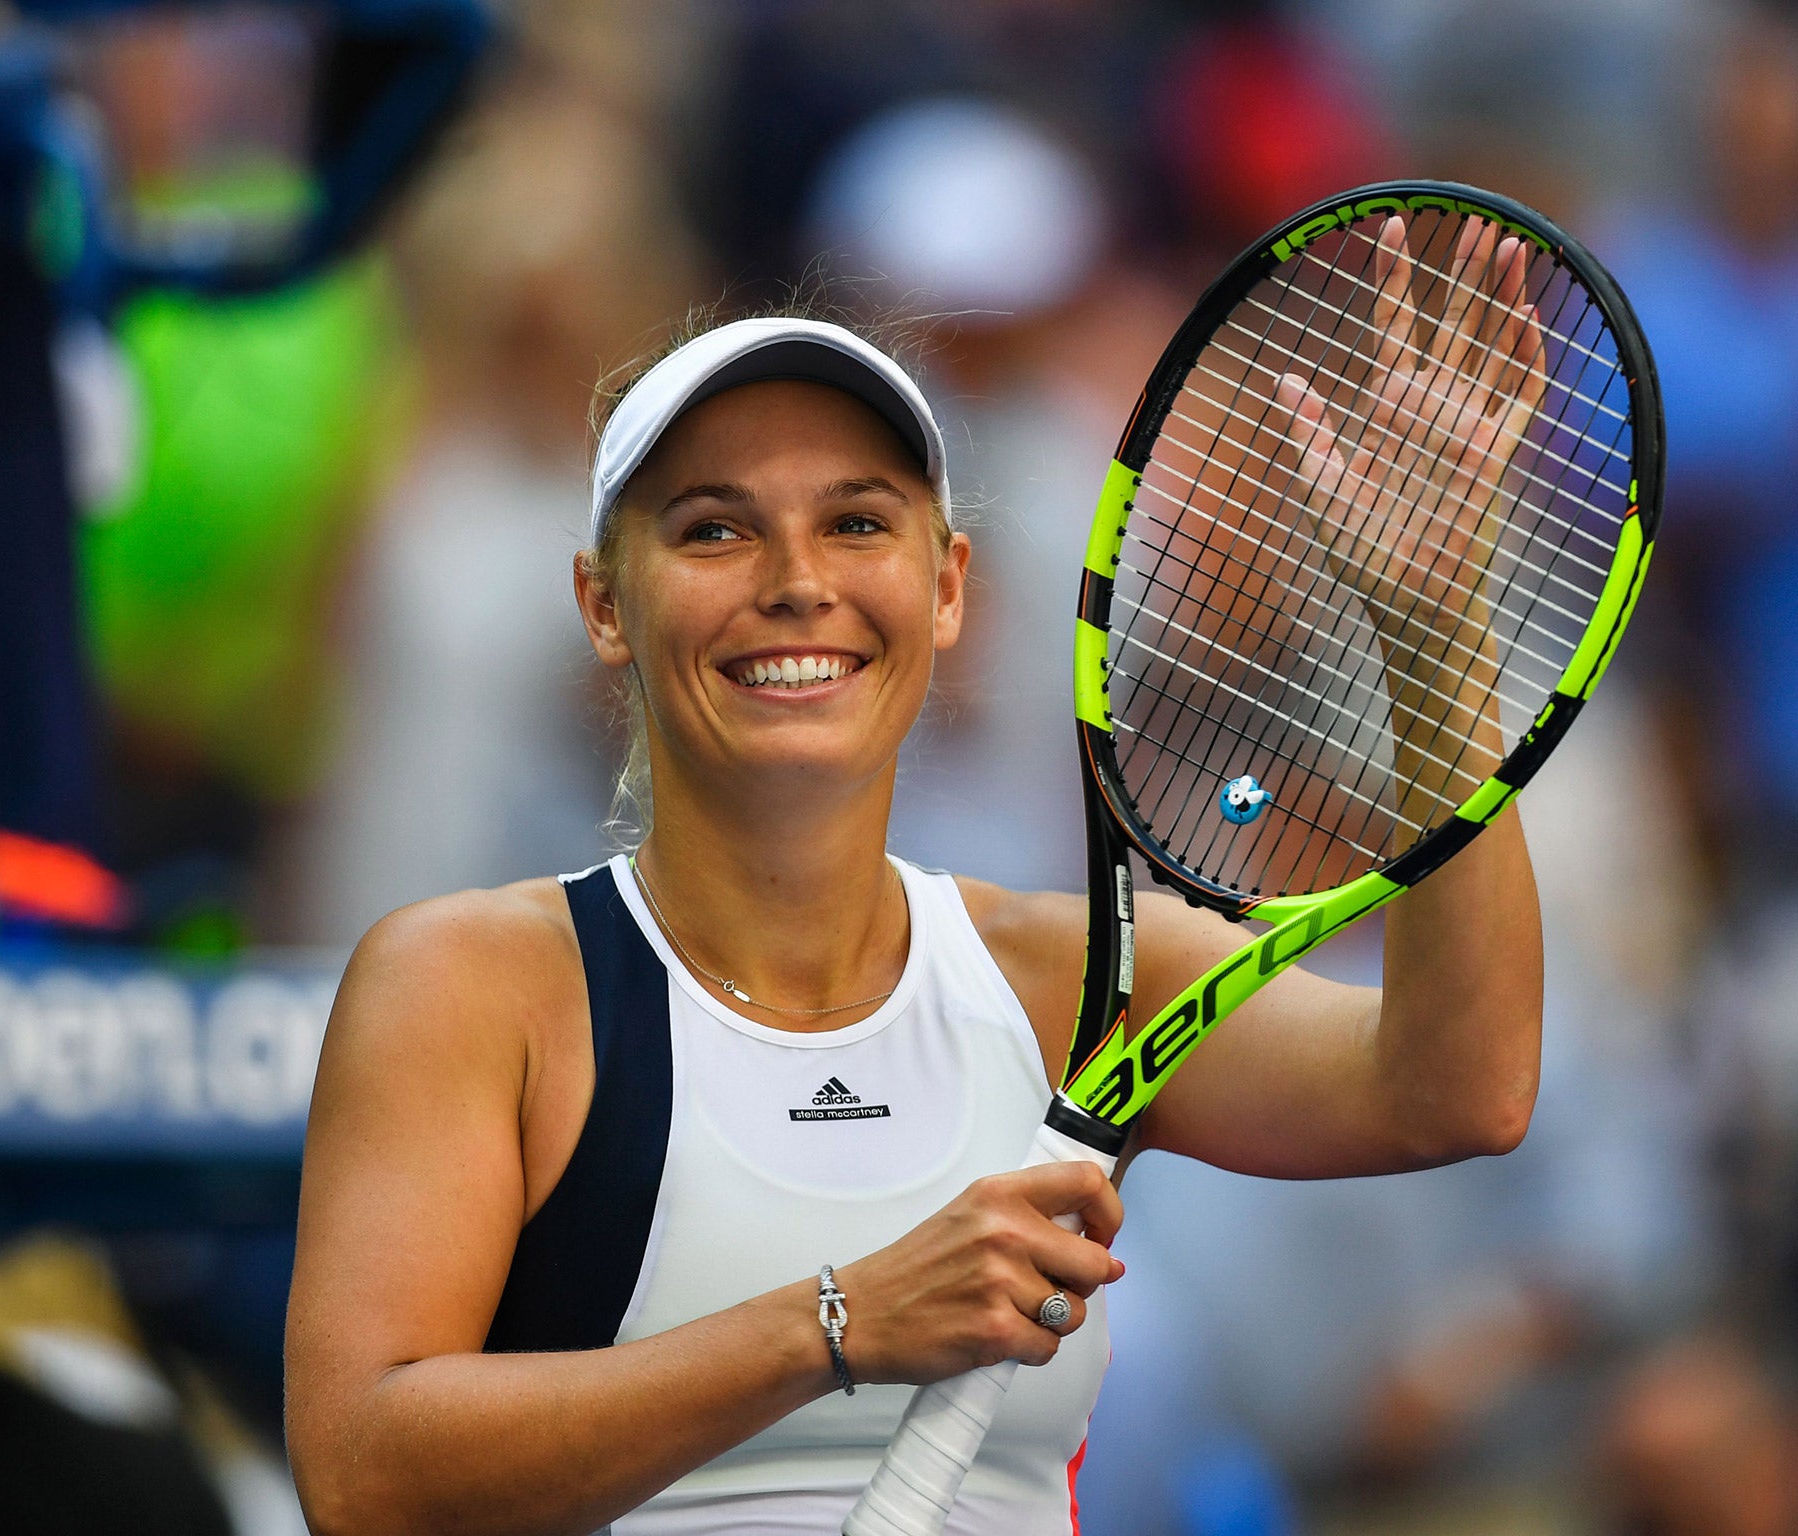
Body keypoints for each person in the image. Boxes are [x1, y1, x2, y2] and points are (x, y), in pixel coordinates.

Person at [283, 302, 1545, 1535]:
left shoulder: (1090, 979)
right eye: (715, 530)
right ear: (604, 603)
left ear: (944, 588)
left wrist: (1435, 637)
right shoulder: (465, 984)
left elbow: (1456, 1087)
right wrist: (836, 1324)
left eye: (855, 522)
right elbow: (359, 1473)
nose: (795, 583)